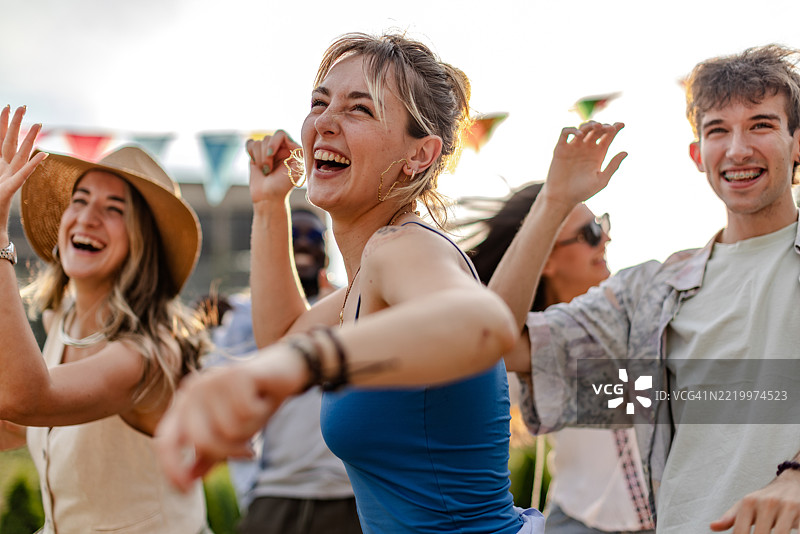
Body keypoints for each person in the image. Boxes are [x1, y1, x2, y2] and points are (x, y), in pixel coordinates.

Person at [154, 31, 624, 534]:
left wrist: (290, 367)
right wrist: (270, 205)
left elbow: (485, 323)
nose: (325, 121)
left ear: (419, 155)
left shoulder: (402, 248)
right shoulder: (367, 277)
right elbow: (283, 336)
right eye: (320, 101)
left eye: (360, 109)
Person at [490, 44, 800, 534]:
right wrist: (554, 200)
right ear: (698, 155)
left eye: (760, 124)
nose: (738, 149)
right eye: (718, 130)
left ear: (796, 142)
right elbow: (497, 340)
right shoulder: (652, 291)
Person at [0, 105, 210, 533]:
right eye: (80, 200)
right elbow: (32, 424)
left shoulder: (152, 353)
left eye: (115, 209)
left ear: (143, 243)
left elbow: (28, 399)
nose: (88, 217)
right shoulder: (63, 320)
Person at [466, 183, 654, 534]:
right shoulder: (518, 355)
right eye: (590, 233)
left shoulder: (639, 305)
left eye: (602, 224)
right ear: (546, 258)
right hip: (580, 523)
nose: (606, 239)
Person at [209, 206, 361, 534]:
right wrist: (210, 329)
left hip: (347, 495)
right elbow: (218, 385)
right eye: (294, 236)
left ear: (326, 250)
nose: (304, 244)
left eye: (314, 236)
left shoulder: (352, 304)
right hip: (273, 495)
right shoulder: (240, 316)